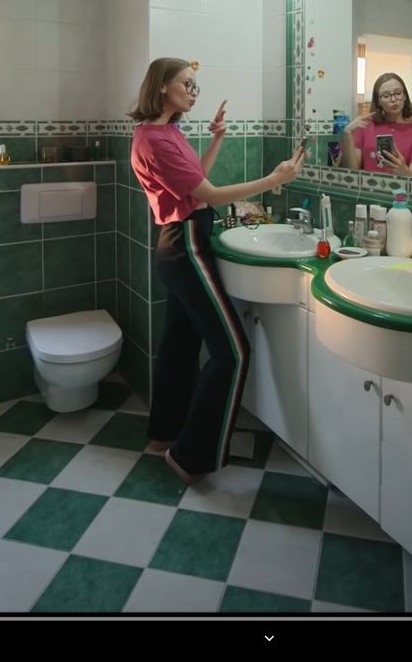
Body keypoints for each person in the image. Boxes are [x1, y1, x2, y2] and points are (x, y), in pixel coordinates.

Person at [128, 57, 306, 485]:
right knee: (233, 351)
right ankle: (190, 456)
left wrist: (218, 139)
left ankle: (164, 435)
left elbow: (195, 182)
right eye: (186, 84)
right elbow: (210, 194)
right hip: (186, 243)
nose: (193, 92)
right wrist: (272, 179)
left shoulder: (163, 132)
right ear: (161, 86)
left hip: (178, 241)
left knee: (179, 344)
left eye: (196, 87)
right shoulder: (158, 140)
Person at [338, 72, 412, 176]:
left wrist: (403, 171)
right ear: (378, 101)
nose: (393, 99)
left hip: (400, 191)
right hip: (367, 191)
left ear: (405, 96)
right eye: (386, 95)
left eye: (398, 93)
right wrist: (347, 134)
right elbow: (351, 171)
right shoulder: (364, 128)